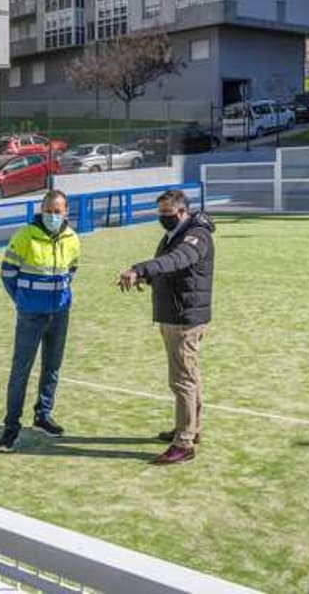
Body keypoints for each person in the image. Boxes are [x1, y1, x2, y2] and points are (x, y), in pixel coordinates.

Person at [116, 190, 215, 466]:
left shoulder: (196, 236)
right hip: (176, 314)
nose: (163, 218)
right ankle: (190, 428)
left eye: (167, 213)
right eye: (160, 213)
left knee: (181, 379)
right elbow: (171, 272)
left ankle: (184, 442)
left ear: (182, 211)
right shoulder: (175, 234)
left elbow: (177, 261)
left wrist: (140, 269)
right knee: (189, 375)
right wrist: (148, 280)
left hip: (183, 319)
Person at [0, 190, 81, 453]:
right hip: (31, 315)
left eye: (58, 211)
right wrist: (24, 301)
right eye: (48, 210)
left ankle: (42, 415)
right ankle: (11, 427)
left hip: (60, 312)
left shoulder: (72, 239)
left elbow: (72, 270)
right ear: (41, 210)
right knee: (21, 371)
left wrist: (60, 297)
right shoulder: (24, 237)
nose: (53, 215)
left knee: (52, 367)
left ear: (66, 212)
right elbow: (7, 273)